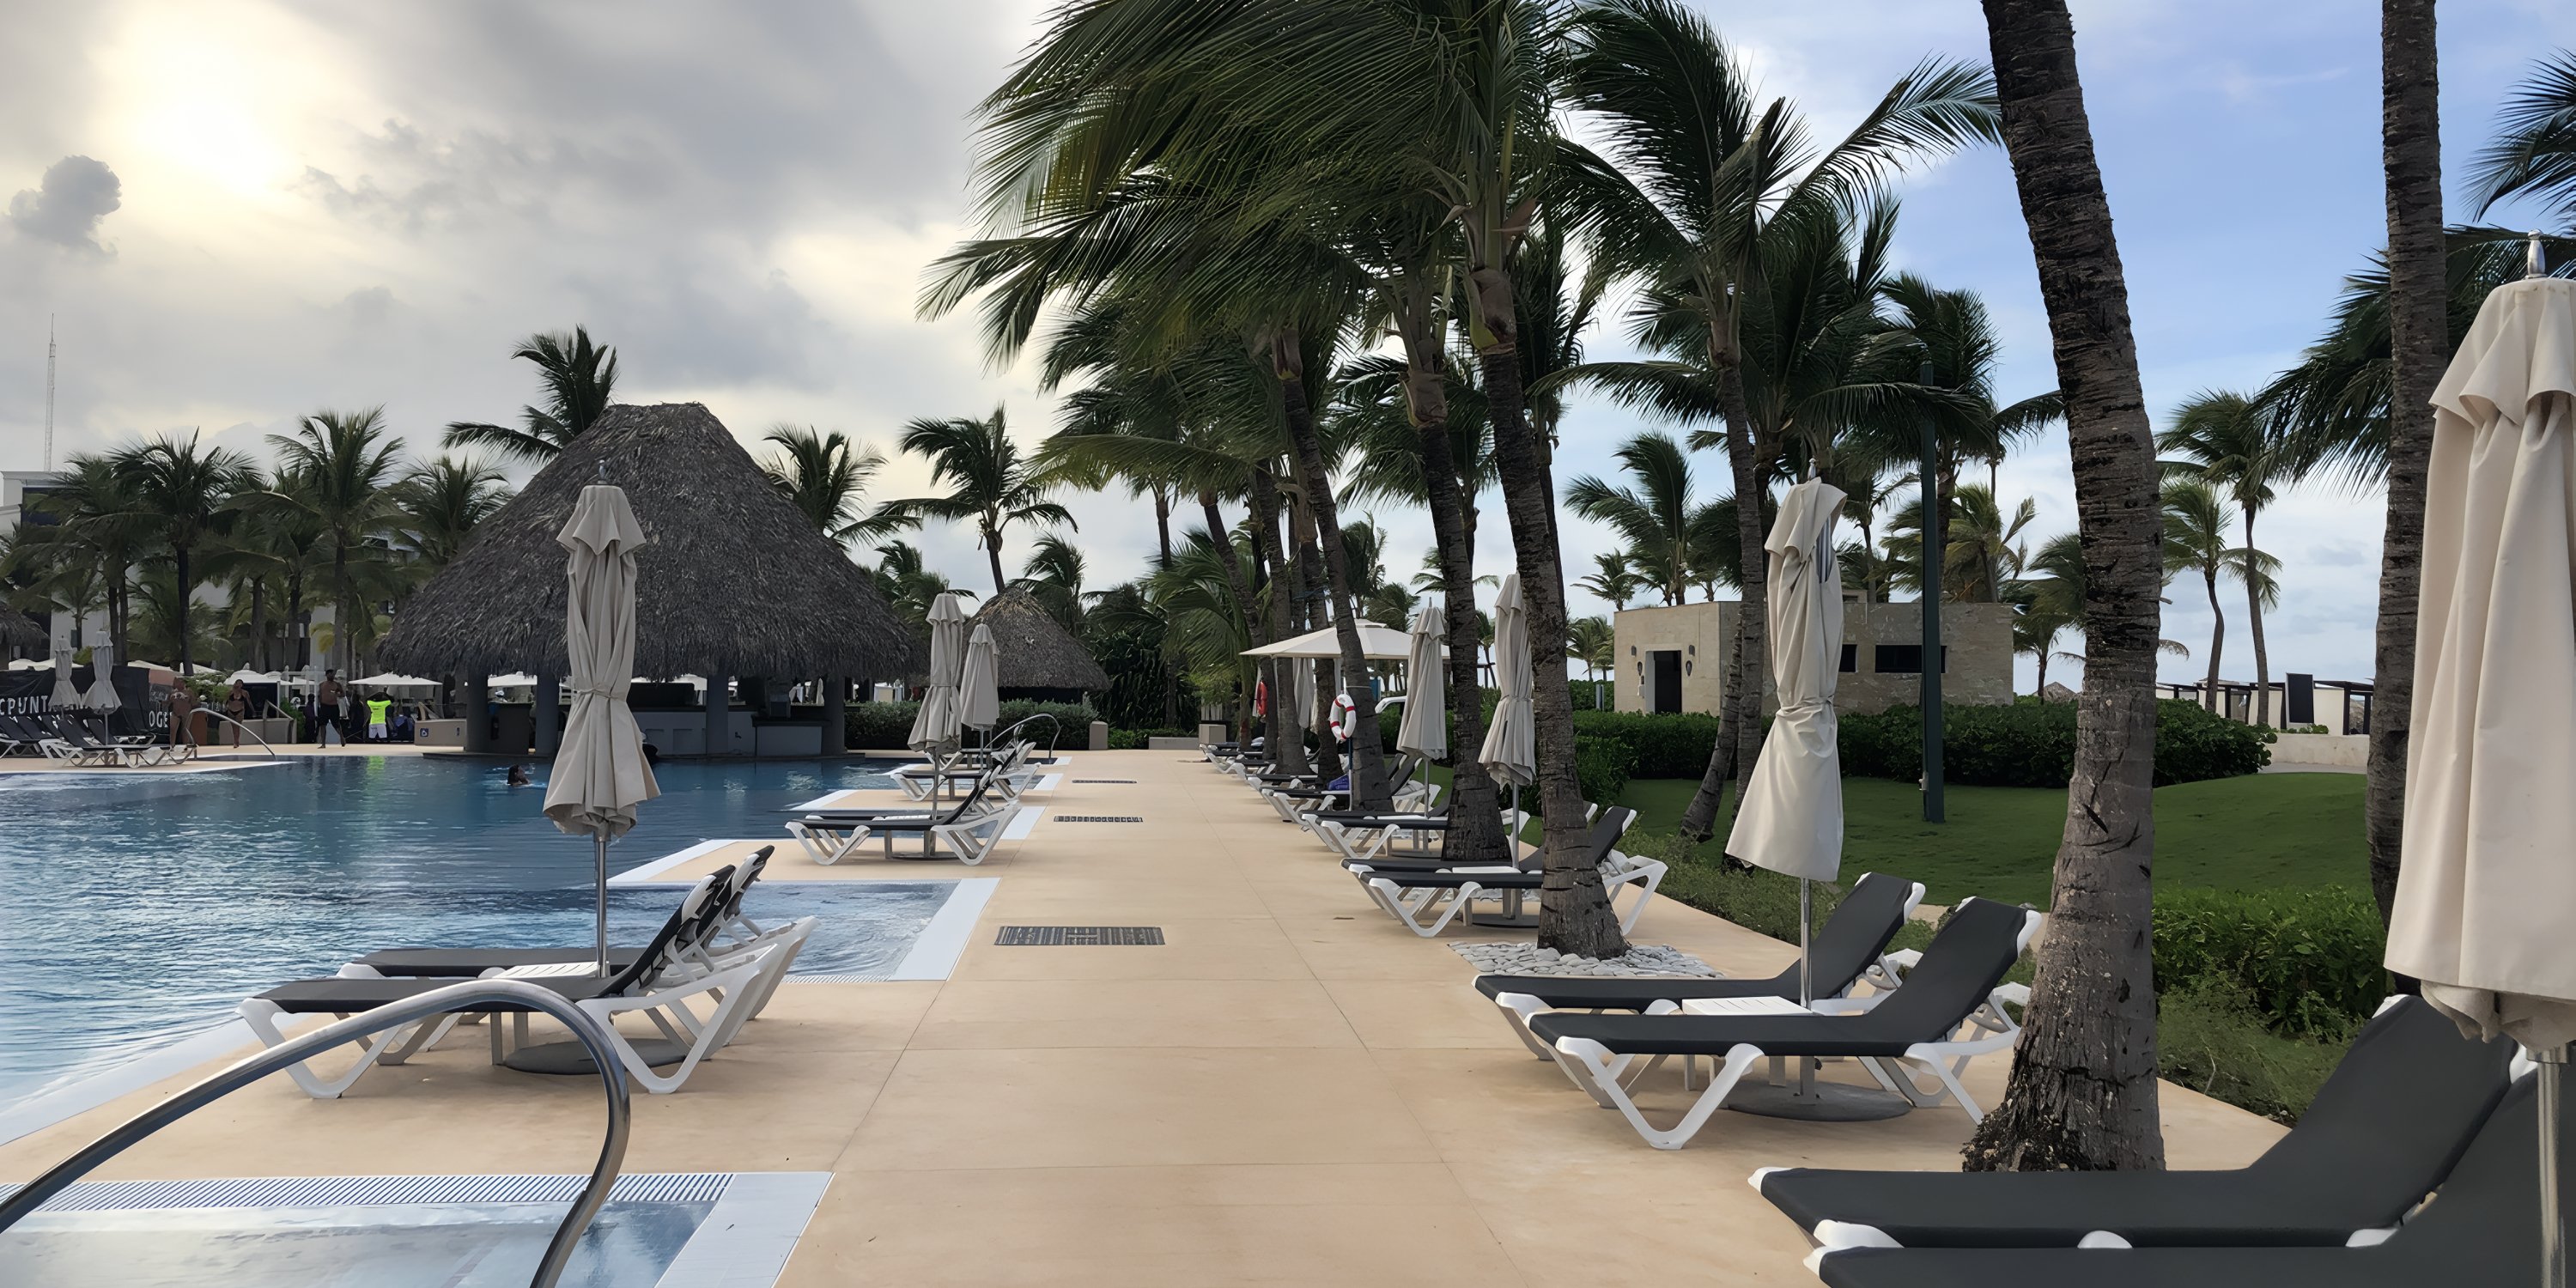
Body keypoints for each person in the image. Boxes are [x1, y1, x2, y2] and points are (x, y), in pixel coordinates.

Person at [315, 671, 343, 745]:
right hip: (324, 706)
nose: (332, 676)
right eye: (330, 674)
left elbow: (343, 694)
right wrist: (318, 706)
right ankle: (323, 743)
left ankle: (342, 737)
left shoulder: (337, 684)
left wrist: (339, 694)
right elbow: (319, 696)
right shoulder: (321, 684)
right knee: (322, 724)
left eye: (333, 675)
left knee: (336, 724)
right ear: (327, 675)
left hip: (334, 706)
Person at [168, 684, 199, 751]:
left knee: (185, 730)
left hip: (186, 713)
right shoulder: (173, 691)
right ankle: (172, 746)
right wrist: (171, 699)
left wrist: (187, 699)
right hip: (176, 712)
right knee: (172, 729)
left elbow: (195, 703)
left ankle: (186, 746)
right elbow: (168, 702)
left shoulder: (189, 691)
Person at [223, 680, 251, 748]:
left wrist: (253, 711)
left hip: (240, 711)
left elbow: (249, 702)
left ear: (242, 685)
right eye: (237, 683)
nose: (239, 685)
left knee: (237, 727)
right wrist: (224, 708)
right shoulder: (230, 693)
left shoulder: (244, 693)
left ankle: (236, 742)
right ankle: (235, 741)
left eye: (240, 684)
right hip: (231, 711)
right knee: (233, 727)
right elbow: (224, 701)